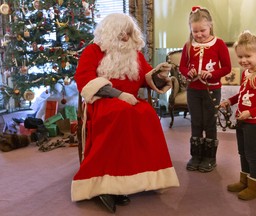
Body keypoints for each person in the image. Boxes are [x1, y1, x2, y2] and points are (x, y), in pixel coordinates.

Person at [71, 13, 179, 213]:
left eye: (129, 33)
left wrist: (160, 75)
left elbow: (146, 77)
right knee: (119, 115)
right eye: (122, 33)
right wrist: (118, 94)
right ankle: (105, 185)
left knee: (147, 115)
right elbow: (85, 80)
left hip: (130, 101)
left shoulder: (134, 53)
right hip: (101, 101)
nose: (126, 38)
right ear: (111, 33)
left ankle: (131, 178)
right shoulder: (93, 51)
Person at [220, 31, 256, 200]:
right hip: (242, 119)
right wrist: (230, 101)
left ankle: (255, 185)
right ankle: (244, 181)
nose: (243, 60)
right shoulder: (246, 73)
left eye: (248, 56)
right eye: (240, 56)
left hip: (255, 122)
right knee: (242, 152)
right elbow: (242, 94)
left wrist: (251, 112)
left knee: (251, 153)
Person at [179, 6, 231, 172]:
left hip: (212, 90)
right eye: (195, 31)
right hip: (193, 90)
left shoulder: (219, 44)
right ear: (190, 30)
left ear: (210, 26)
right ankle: (196, 156)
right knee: (196, 122)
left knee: (209, 123)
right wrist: (189, 72)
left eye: (203, 30)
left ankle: (209, 157)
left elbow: (227, 68)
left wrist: (212, 74)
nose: (199, 34)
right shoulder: (188, 46)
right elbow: (182, 67)